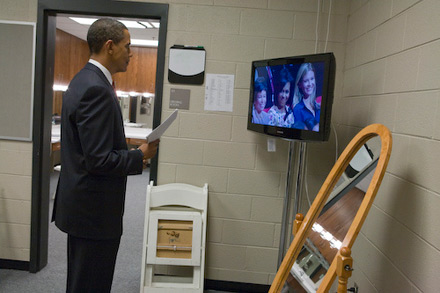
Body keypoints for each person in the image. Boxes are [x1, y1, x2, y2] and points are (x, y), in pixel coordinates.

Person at [51, 18, 159, 292]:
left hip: (85, 207)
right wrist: (140, 155)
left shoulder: (85, 79)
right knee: (90, 284)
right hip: (93, 213)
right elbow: (98, 160)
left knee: (82, 281)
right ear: (110, 46)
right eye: (128, 46)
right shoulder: (96, 88)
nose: (131, 53)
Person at [292, 63, 320, 131]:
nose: (310, 84)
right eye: (306, 81)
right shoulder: (298, 109)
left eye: (312, 79)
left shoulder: (319, 107)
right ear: (300, 84)